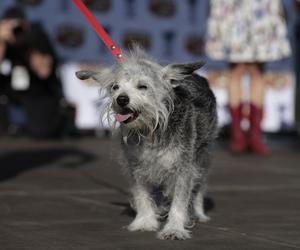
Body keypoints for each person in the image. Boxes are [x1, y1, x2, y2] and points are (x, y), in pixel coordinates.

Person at [206, 0, 291, 155]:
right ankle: (237, 134)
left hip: (261, 6)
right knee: (236, 69)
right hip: (231, 6)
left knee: (257, 70)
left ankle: (255, 135)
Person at [0, 6, 74, 138]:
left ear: (26, 24)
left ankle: (63, 118)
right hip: (12, 85)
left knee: (42, 132)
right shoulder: (4, 40)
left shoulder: (36, 35)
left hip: (39, 89)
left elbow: (44, 72)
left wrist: (24, 44)